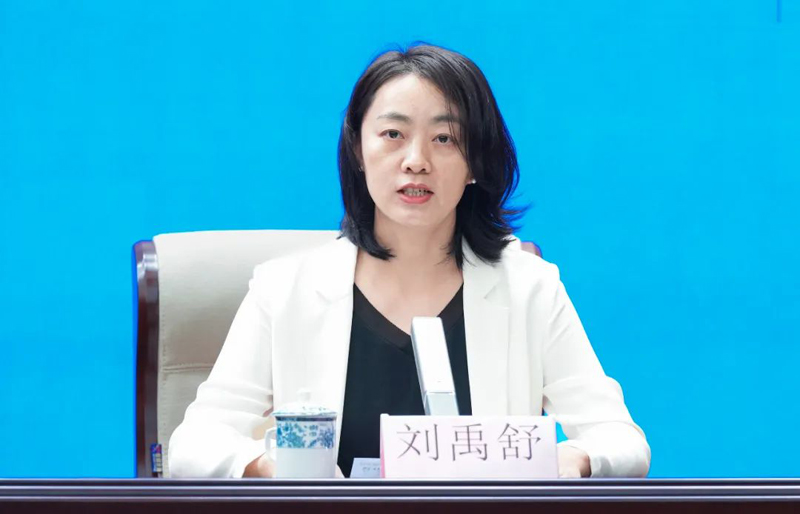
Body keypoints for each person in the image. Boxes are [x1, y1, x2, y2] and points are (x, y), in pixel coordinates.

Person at [168, 44, 651, 479]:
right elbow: (194, 444)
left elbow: (622, 440)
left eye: (445, 139)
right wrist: (272, 467)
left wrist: (569, 459)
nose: (416, 160)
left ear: (476, 162)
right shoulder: (285, 289)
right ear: (358, 148)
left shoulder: (529, 288)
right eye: (393, 134)